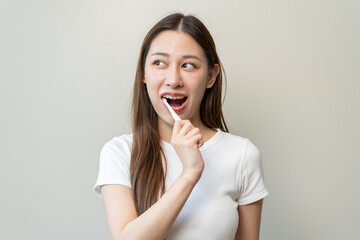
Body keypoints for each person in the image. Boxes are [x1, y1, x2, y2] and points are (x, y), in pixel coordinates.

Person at [94, 13, 269, 240]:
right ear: (143, 74)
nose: (174, 79)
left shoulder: (243, 155)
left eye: (188, 65)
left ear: (211, 76)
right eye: (159, 63)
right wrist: (190, 174)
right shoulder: (119, 153)